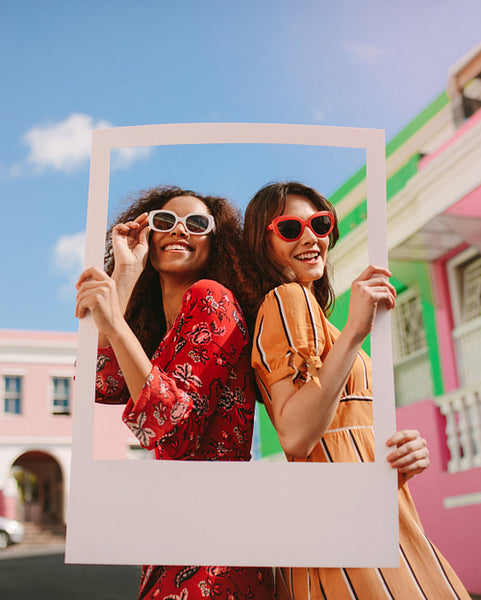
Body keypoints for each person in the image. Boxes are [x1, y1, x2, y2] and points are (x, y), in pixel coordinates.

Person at [243, 181, 470, 600]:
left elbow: (346, 428)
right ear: (263, 243)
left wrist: (400, 457)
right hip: (344, 528)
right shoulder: (285, 299)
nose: (311, 236)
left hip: (372, 509)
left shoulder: (317, 318)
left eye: (320, 224)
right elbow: (295, 433)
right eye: (291, 228)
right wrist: (355, 331)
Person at [75, 185, 275, 600]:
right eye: (164, 222)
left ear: (216, 242)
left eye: (197, 224)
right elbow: (98, 382)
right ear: (149, 235)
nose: (179, 231)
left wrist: (114, 323)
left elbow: (174, 430)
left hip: (214, 547)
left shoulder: (212, 298)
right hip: (176, 531)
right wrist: (125, 276)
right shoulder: (163, 333)